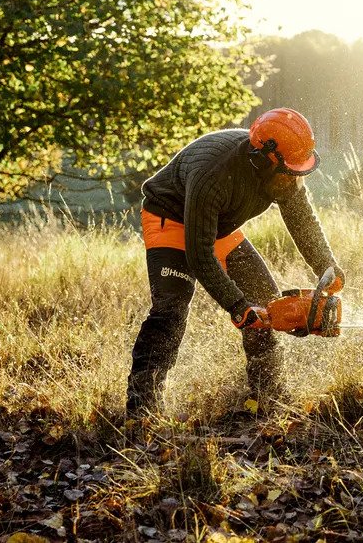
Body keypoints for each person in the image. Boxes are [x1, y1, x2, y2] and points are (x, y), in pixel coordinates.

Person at [126, 107, 342, 417]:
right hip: (172, 218)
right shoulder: (212, 174)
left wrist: (326, 265)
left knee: (266, 304)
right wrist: (237, 307)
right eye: (289, 171)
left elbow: (301, 218)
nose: (294, 179)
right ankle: (141, 407)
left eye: (298, 171)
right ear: (263, 158)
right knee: (171, 309)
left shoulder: (284, 172)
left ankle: (268, 395)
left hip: (219, 225)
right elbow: (199, 254)